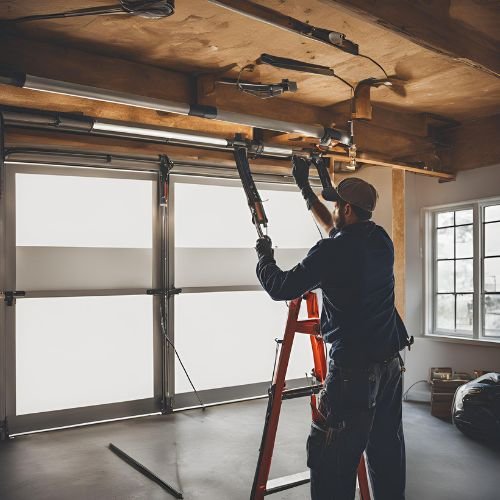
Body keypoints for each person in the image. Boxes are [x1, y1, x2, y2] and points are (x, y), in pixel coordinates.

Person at [255, 156, 412, 500]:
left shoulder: (332, 252)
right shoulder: (379, 240)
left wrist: (264, 258)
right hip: (389, 366)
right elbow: (334, 227)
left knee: (333, 460)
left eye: (339, 205)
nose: (335, 210)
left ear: (349, 211)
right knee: (386, 452)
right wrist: (305, 189)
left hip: (354, 373)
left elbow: (280, 287)